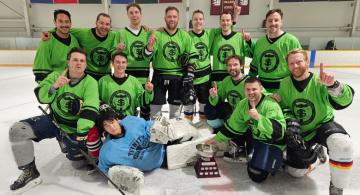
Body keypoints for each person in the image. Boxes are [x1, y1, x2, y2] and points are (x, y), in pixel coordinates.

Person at [9, 48, 99, 194]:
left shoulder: (90, 82)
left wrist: (80, 133)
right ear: (68, 62)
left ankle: (64, 140)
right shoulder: (56, 75)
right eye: (75, 59)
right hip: (54, 121)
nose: (78, 63)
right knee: (17, 130)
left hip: (72, 128)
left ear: (86, 65)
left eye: (82, 61)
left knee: (78, 164)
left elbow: (91, 109)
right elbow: (41, 96)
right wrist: (54, 87)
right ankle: (30, 172)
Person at [274, 49, 354, 195]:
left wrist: (333, 86)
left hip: (323, 125)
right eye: (291, 63)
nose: (295, 66)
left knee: (343, 145)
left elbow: (345, 100)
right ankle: (317, 156)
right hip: (302, 132)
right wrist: (290, 121)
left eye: (299, 61)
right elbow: (284, 107)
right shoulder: (284, 83)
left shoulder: (319, 81)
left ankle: (337, 187)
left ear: (306, 61)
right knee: (296, 172)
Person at [206, 77, 286, 183]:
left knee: (259, 175)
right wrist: (215, 139)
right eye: (248, 89)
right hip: (257, 139)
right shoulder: (243, 104)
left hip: (273, 142)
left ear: (261, 89)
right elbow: (233, 126)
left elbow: (279, 132)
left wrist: (259, 118)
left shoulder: (271, 104)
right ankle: (252, 150)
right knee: (255, 174)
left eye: (254, 89)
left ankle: (284, 154)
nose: (251, 92)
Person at [183, 3, 241, 122]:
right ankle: (187, 131)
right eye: (195, 19)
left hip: (205, 79)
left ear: (203, 21)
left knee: (204, 107)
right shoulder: (186, 36)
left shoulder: (210, 33)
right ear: (192, 21)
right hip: (191, 79)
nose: (198, 21)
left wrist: (235, 17)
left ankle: (202, 131)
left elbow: (227, 27)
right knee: (188, 107)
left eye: (200, 19)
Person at [145, 6, 197, 119]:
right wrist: (149, 46)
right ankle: (157, 135)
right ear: (165, 18)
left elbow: (193, 56)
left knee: (175, 113)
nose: (172, 19)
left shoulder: (185, 36)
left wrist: (190, 74)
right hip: (159, 76)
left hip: (178, 77)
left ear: (178, 18)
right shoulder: (156, 34)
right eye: (169, 16)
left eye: (174, 16)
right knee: (155, 111)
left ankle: (175, 136)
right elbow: (147, 56)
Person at [42, 13, 117, 81]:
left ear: (110, 26)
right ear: (96, 23)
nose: (104, 26)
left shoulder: (114, 36)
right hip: (88, 74)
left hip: (105, 75)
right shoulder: (83, 33)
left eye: (107, 24)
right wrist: (49, 32)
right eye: (101, 23)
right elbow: (64, 28)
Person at [206, 55, 250, 162]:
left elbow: (260, 95)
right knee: (209, 109)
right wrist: (213, 95)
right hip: (231, 115)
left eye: (235, 64)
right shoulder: (227, 80)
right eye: (229, 65)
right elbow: (217, 99)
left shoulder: (249, 81)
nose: (232, 67)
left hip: (245, 118)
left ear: (242, 66)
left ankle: (239, 142)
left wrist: (271, 96)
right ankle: (224, 130)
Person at [114, 3, 153, 120]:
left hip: (144, 77)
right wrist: (118, 50)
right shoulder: (121, 33)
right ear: (127, 15)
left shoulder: (147, 33)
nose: (134, 15)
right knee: (129, 107)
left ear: (141, 14)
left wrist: (150, 46)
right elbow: (115, 56)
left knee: (145, 108)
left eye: (136, 12)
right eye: (131, 13)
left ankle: (144, 135)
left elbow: (149, 57)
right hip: (128, 77)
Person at [249, 8, 301, 92]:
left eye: (276, 20)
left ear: (281, 22)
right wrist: (249, 82)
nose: (273, 23)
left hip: (284, 89)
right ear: (266, 23)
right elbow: (255, 66)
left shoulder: (292, 41)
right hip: (263, 90)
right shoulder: (260, 42)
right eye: (270, 21)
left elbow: (299, 66)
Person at [98, 51, 153, 119]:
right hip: (110, 122)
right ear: (112, 63)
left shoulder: (134, 81)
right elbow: (97, 100)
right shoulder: (103, 81)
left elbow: (141, 102)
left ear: (127, 64)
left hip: (129, 121)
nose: (120, 65)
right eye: (117, 62)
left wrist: (148, 92)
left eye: (123, 62)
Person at [33, 9, 79, 83]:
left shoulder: (74, 40)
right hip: (54, 83)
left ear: (71, 23)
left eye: (67, 21)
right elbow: (40, 70)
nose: (64, 25)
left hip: (70, 83)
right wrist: (47, 88)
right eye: (60, 21)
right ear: (55, 22)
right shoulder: (46, 42)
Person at [210, 10, 253, 82]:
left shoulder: (240, 37)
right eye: (223, 20)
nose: (225, 23)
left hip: (236, 77)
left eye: (227, 20)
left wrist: (249, 41)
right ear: (220, 22)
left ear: (231, 22)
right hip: (218, 78)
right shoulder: (215, 38)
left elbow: (251, 54)